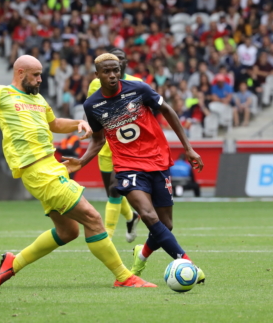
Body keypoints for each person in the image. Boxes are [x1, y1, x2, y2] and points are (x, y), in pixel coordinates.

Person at [0, 55, 155, 289]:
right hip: (38, 171)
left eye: (41, 74)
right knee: (92, 218)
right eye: (36, 75)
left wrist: (80, 124)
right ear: (20, 73)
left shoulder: (37, 99)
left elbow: (54, 123)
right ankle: (124, 277)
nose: (40, 79)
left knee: (68, 231)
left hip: (52, 166)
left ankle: (13, 263)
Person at [68, 53, 206, 283]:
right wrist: (81, 162)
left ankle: (140, 257)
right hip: (127, 166)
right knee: (150, 216)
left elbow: (168, 111)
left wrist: (188, 148)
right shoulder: (92, 105)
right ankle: (188, 264)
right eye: (107, 71)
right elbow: (98, 140)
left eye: (115, 70)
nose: (112, 75)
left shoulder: (139, 89)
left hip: (157, 160)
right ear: (97, 75)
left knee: (166, 225)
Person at [87, 48, 141, 242]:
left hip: (126, 146)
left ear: (123, 64)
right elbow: (92, 109)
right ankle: (131, 216)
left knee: (114, 189)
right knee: (113, 193)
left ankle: (107, 235)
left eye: (119, 61)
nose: (114, 66)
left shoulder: (137, 84)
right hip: (105, 146)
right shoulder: (95, 84)